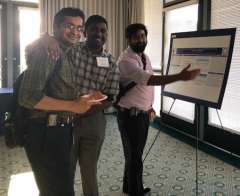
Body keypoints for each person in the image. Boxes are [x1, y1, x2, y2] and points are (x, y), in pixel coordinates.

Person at [18, 8, 99, 196]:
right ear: (56, 26)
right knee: (58, 189)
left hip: (60, 130)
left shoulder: (67, 50)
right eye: (69, 26)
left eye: (79, 28)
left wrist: (80, 100)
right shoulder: (48, 51)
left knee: (57, 186)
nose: (75, 32)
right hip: (45, 132)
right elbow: (28, 96)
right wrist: (73, 106)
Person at [116, 23, 200, 196]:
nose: (141, 40)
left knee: (134, 155)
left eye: (143, 36)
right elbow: (150, 80)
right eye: (136, 37)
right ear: (129, 39)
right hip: (130, 116)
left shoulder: (144, 56)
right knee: (135, 157)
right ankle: (135, 192)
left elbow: (143, 88)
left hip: (142, 114)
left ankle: (129, 187)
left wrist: (150, 107)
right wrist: (180, 77)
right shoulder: (126, 60)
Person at [66, 15, 119, 196]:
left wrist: (83, 111)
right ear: (85, 32)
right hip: (66, 117)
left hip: (94, 121)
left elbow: (110, 96)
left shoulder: (111, 61)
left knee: (89, 171)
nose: (99, 33)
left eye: (103, 30)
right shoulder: (72, 52)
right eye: (94, 29)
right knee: (67, 169)